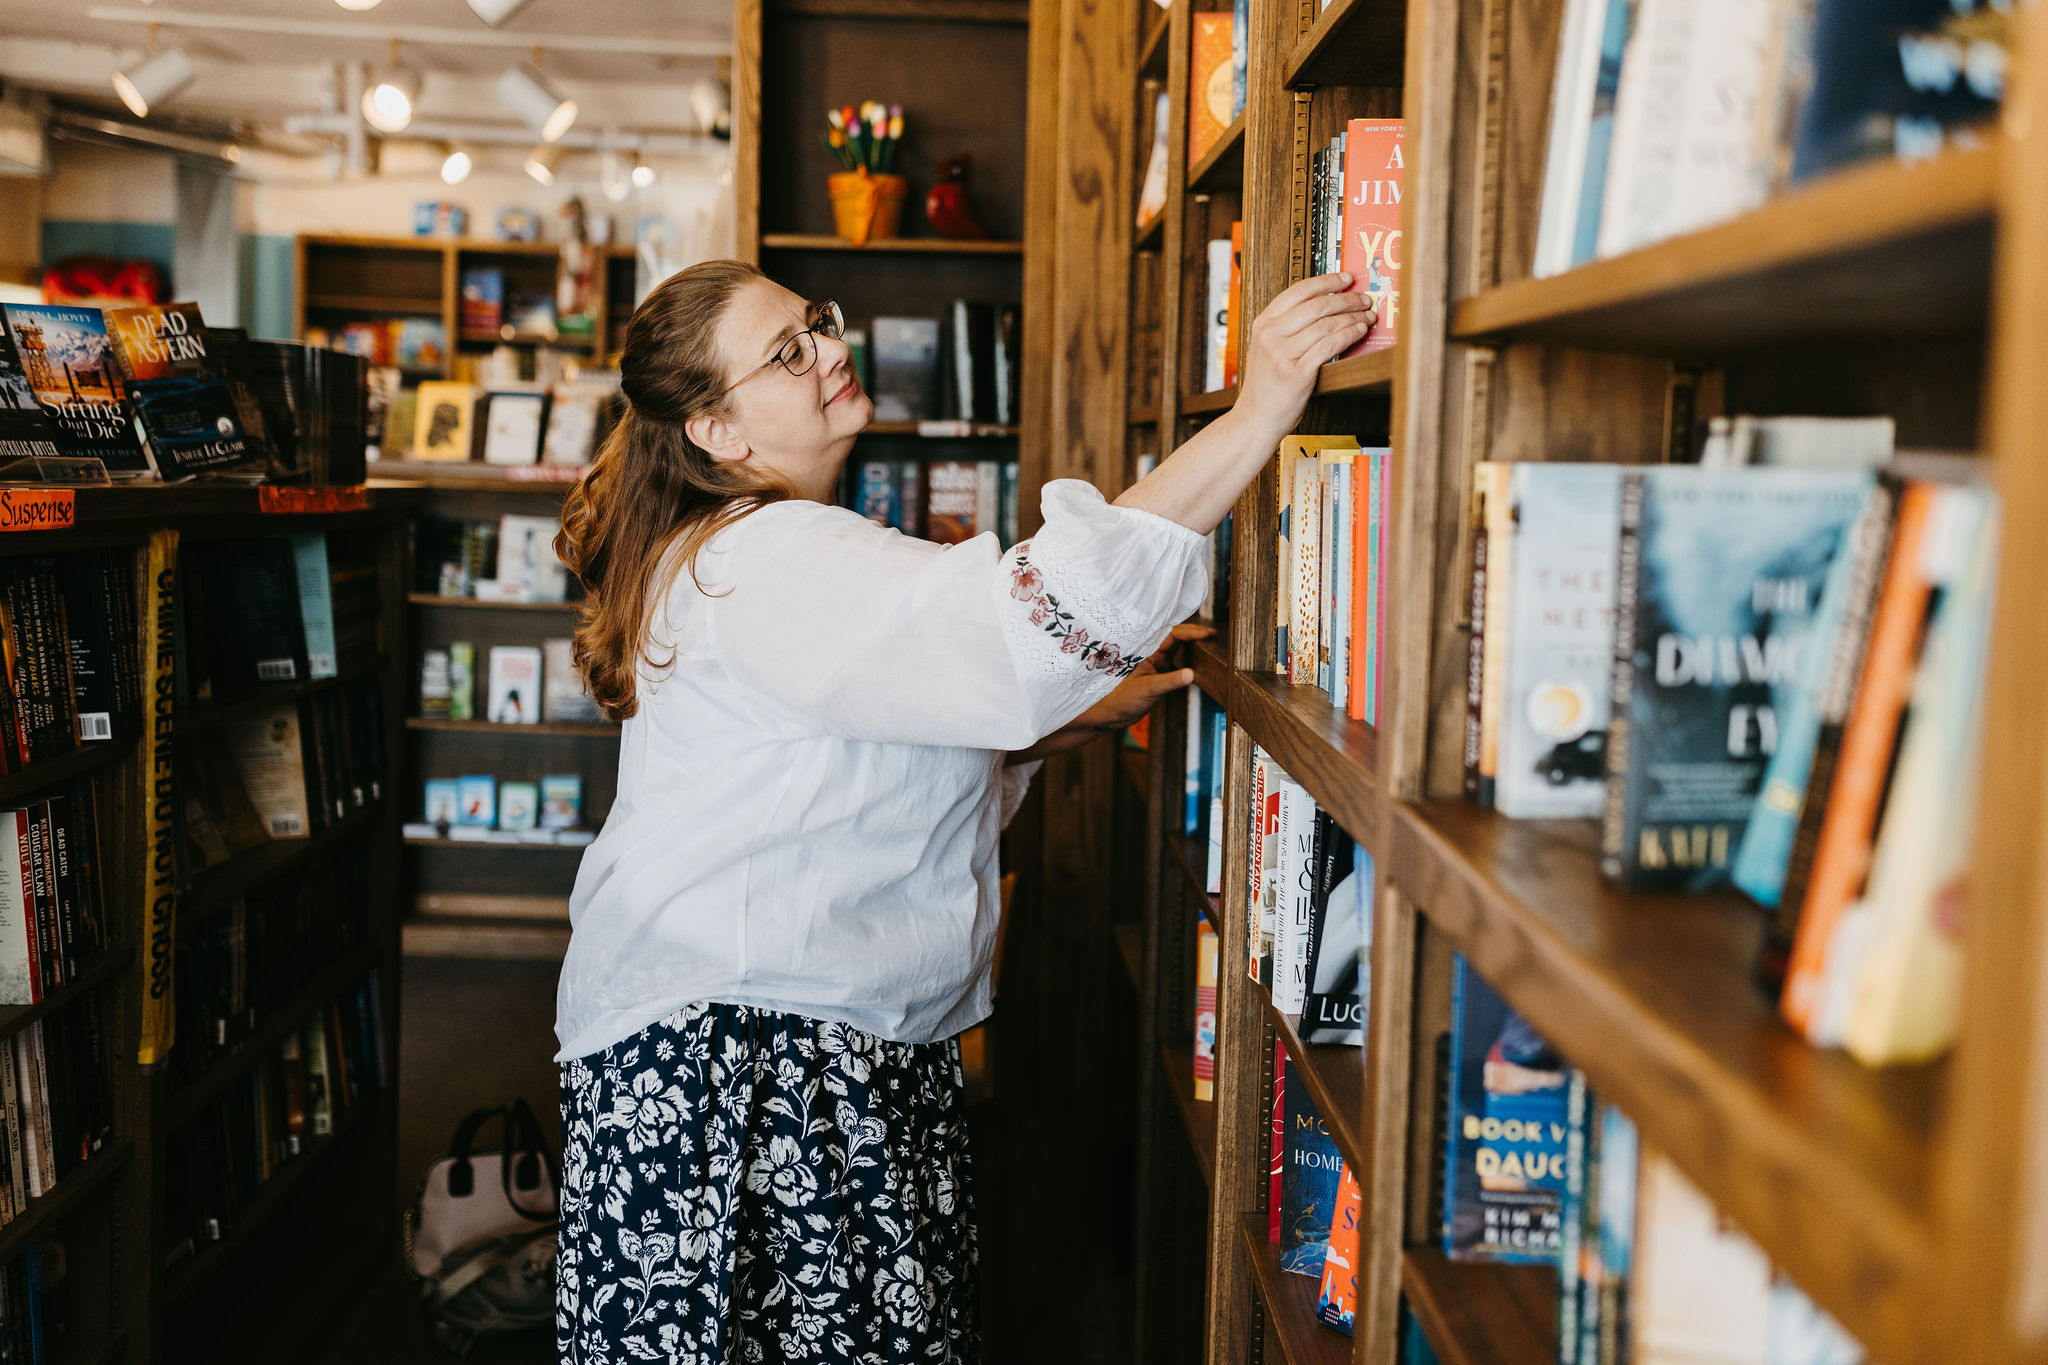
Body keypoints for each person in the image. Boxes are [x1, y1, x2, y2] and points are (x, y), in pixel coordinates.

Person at [551, 258, 1376, 1364]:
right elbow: (1026, 631)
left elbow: (851, 752)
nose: (831, 352)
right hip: (751, 1058)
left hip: (756, 1032)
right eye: (787, 354)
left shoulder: (741, 548)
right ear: (717, 432)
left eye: (816, 325)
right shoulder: (773, 553)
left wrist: (1060, 714)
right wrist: (1261, 409)